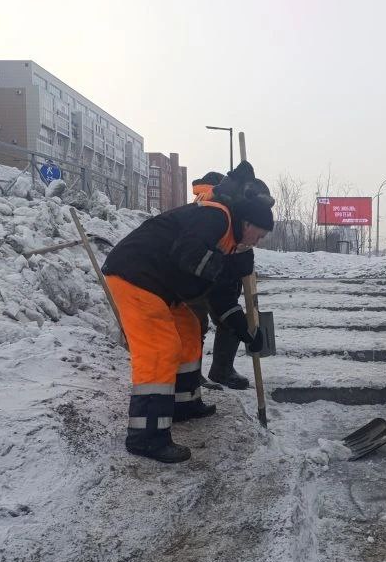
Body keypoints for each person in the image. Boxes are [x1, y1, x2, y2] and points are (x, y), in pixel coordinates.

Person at [102, 182, 274, 463]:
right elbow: (187, 252)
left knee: (189, 331)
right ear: (247, 223)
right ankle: (146, 437)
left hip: (162, 287)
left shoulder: (231, 244)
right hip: (134, 275)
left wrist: (246, 332)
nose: (259, 241)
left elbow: (221, 299)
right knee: (160, 349)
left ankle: (182, 404)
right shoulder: (215, 216)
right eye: (260, 234)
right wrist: (224, 267)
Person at [189, 163, 274, 390]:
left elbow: (242, 246)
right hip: (197, 274)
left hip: (223, 274)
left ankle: (221, 369)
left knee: (231, 319)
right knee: (194, 323)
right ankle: (191, 374)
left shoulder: (240, 211)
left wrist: (244, 258)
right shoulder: (216, 208)